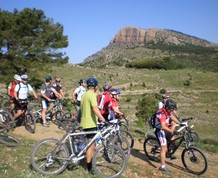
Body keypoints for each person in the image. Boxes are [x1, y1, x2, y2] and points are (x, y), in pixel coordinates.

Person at [80, 77, 105, 174]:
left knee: (91, 145)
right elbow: (95, 108)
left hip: (85, 122)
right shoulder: (92, 95)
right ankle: (89, 168)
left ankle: (89, 165)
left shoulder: (84, 95)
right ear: (95, 87)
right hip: (90, 123)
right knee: (90, 146)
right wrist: (102, 118)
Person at [154, 99, 181, 173]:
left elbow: (172, 117)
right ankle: (162, 167)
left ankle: (168, 153)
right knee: (164, 148)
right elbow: (162, 126)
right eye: (171, 109)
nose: (172, 111)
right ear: (167, 107)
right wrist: (173, 131)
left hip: (166, 129)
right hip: (160, 131)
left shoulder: (168, 111)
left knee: (173, 140)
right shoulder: (162, 113)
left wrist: (180, 123)